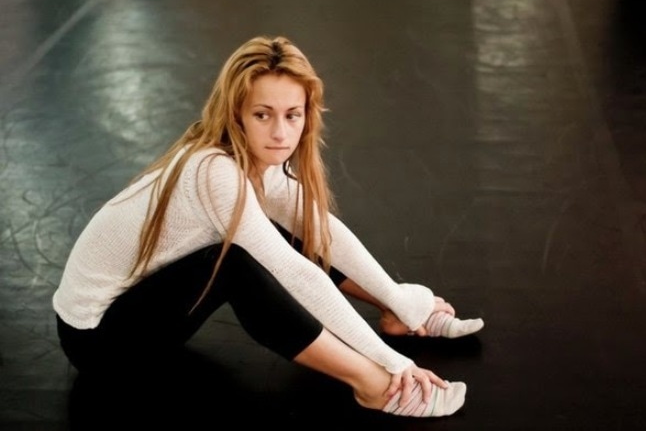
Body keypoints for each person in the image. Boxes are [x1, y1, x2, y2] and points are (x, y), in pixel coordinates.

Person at [52, 35, 484, 418]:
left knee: (279, 232)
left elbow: (321, 230)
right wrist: (391, 362)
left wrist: (397, 297)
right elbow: (295, 274)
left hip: (147, 318)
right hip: (99, 342)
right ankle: (373, 384)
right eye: (263, 115)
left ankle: (396, 314)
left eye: (292, 115)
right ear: (236, 114)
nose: (280, 133)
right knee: (235, 262)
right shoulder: (213, 171)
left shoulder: (254, 161)